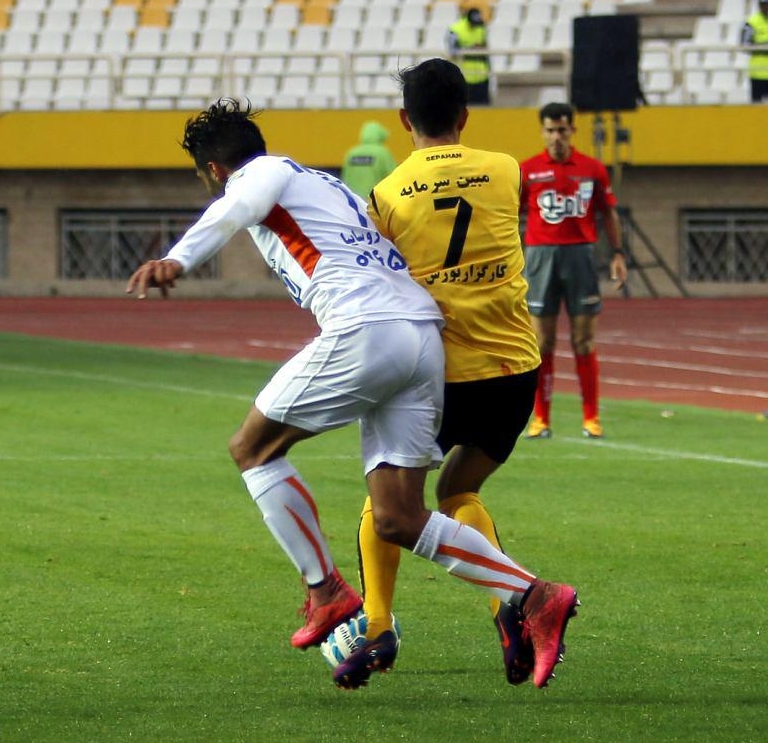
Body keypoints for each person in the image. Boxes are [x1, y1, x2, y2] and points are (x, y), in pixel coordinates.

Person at [125, 99, 578, 691]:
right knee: (397, 516)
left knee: (252, 449)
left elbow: (237, 205)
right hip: (421, 336)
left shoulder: (261, 174)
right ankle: (534, 595)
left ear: (213, 169)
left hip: (367, 329)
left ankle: (326, 592)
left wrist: (176, 257)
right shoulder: (326, 184)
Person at [360, 58, 542, 686]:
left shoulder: (386, 194)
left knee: (387, 503)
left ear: (404, 118)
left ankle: (377, 628)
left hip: (433, 377)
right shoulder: (506, 169)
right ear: (465, 115)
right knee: (458, 493)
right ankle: (507, 610)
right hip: (513, 373)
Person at [519, 101, 627, 440]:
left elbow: (608, 212)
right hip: (540, 257)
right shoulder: (527, 170)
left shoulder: (592, 168)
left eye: (562, 130)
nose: (556, 137)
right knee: (542, 342)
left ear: (572, 130)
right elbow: (510, 215)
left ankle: (591, 417)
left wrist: (618, 253)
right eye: (550, 130)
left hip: (581, 255)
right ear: (542, 132)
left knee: (583, 339)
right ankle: (541, 418)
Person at [740, 0, 768, 103]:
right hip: (758, 72)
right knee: (757, 106)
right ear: (759, 5)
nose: (766, 7)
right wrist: (764, 47)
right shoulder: (751, 22)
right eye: (764, 4)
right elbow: (744, 44)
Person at [339, 119, 396, 200]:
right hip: (375, 200)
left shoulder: (351, 153)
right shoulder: (382, 153)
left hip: (354, 200)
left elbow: (345, 177)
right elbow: (393, 176)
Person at [446, 7, 491, 106]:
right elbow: (452, 51)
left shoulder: (481, 28)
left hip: (482, 76)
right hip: (464, 77)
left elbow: (485, 48)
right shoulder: (455, 29)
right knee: (465, 110)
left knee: (484, 109)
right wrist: (470, 48)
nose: (475, 26)